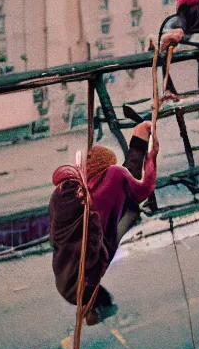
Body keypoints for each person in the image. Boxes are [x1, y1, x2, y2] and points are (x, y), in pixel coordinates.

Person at [50, 122, 158, 325]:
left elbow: (58, 232)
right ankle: (95, 308)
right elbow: (141, 186)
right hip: (90, 259)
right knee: (129, 204)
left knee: (127, 204)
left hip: (70, 269)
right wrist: (151, 156)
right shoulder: (113, 178)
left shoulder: (65, 191)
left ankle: (95, 308)